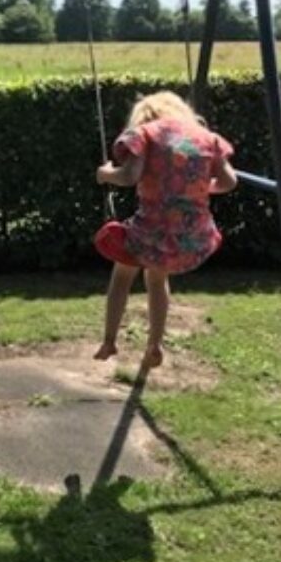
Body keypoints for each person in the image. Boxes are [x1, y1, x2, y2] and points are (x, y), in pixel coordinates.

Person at [93, 91, 237, 368]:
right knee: (157, 278)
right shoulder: (207, 138)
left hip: (150, 235)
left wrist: (105, 174)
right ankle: (154, 345)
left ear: (144, 117)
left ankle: (109, 340)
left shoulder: (145, 134)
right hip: (193, 238)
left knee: (122, 275)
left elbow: (129, 176)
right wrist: (199, 188)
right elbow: (229, 182)